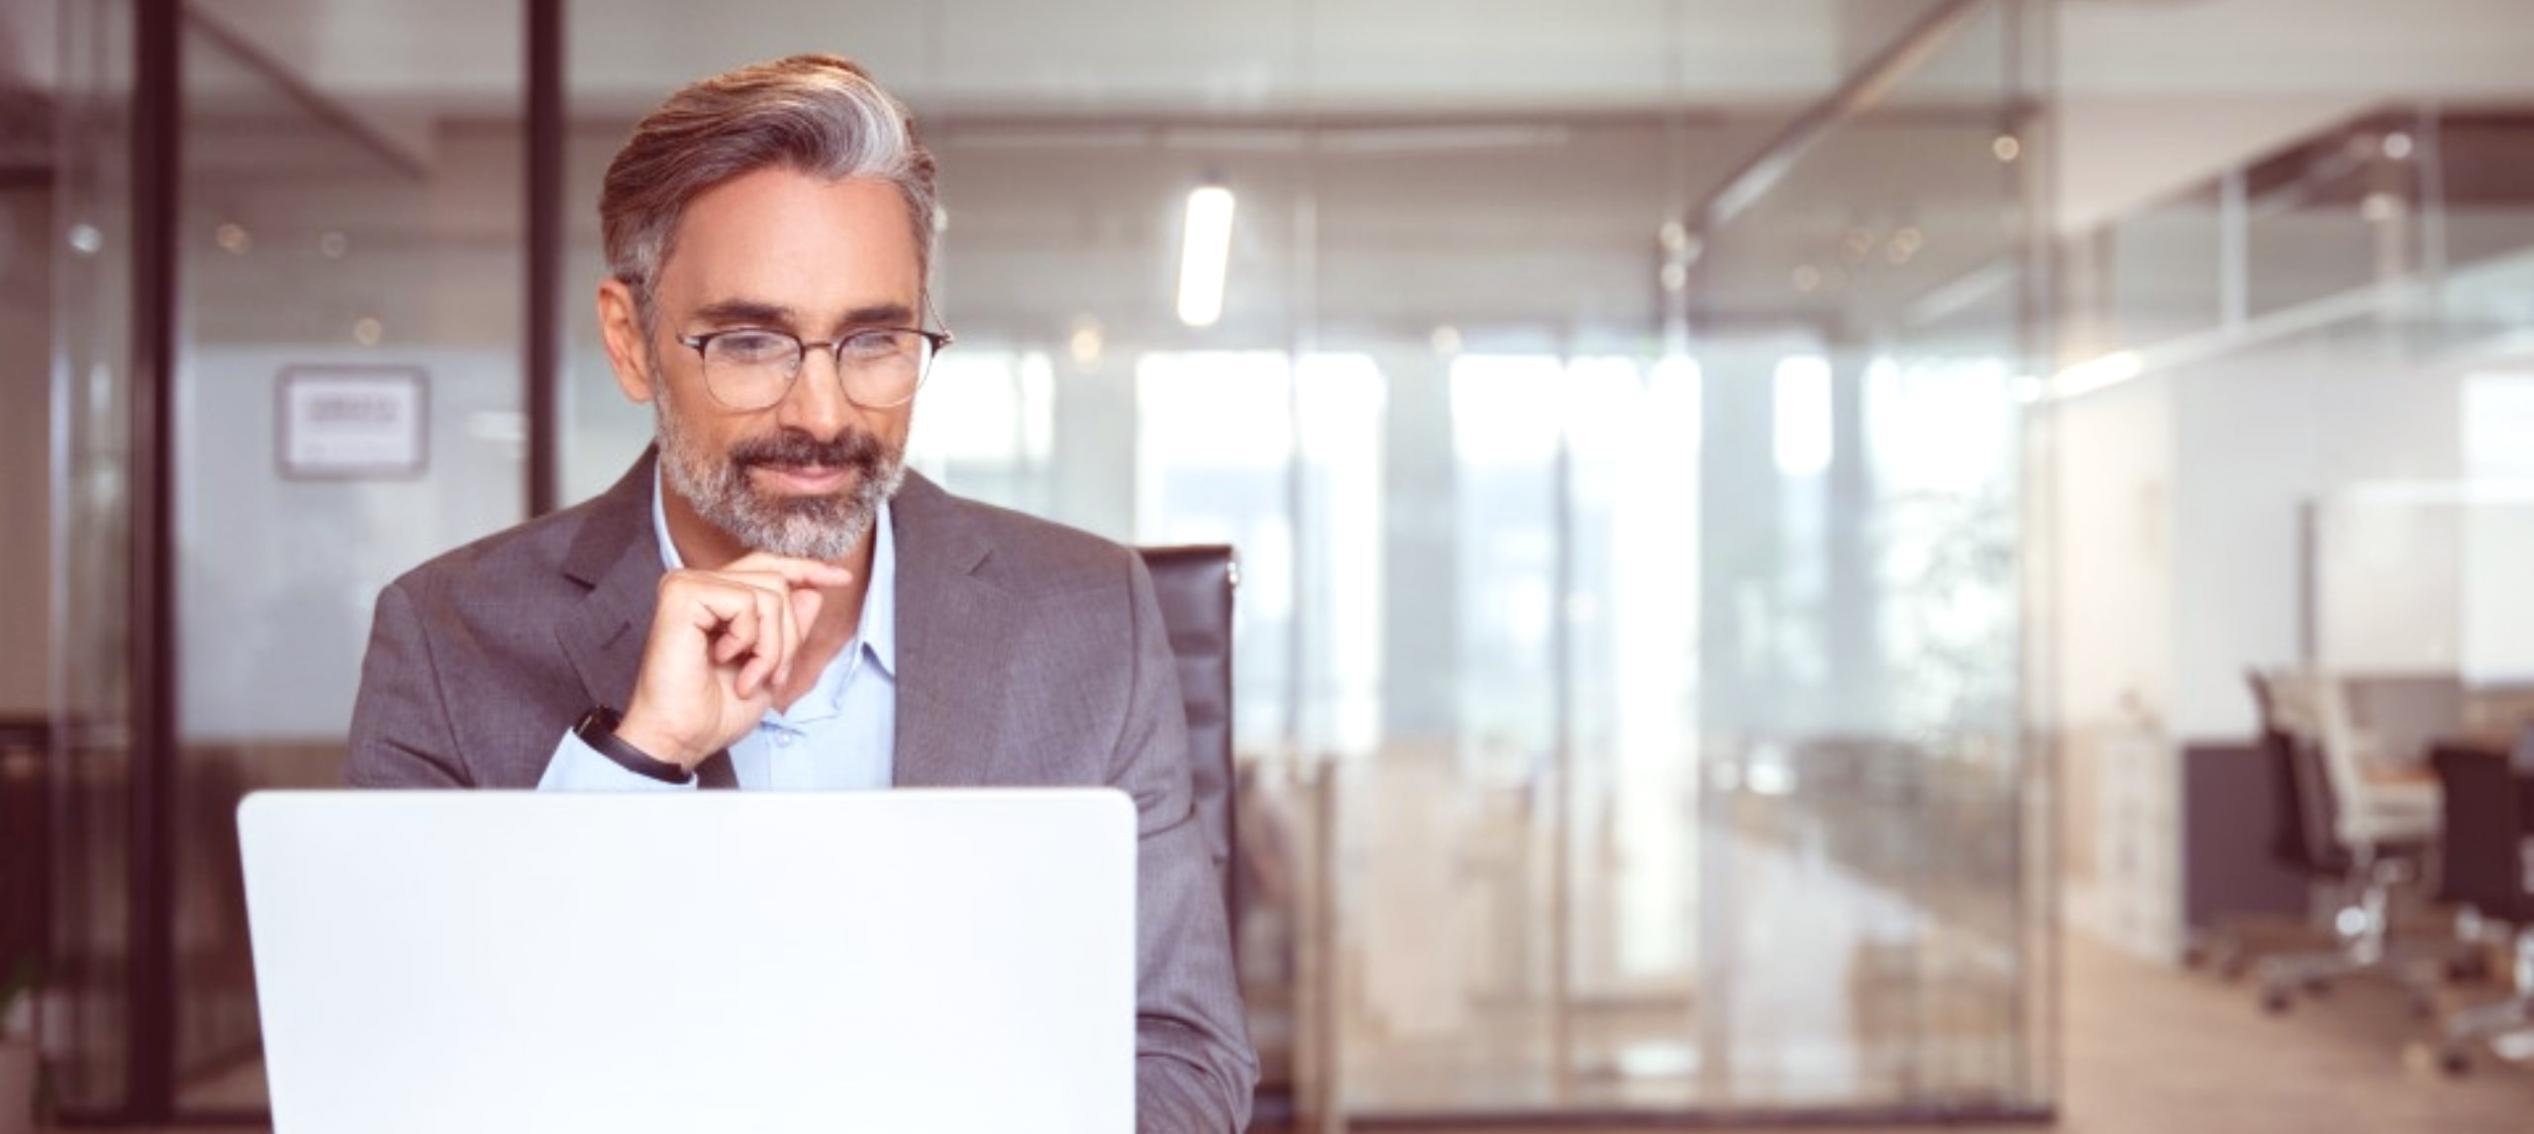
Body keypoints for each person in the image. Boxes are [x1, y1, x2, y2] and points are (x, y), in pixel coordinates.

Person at [344, 53, 1256, 1131]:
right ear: (631, 341)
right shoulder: (445, 641)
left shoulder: (1092, 617)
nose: (822, 414)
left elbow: (1181, 1059)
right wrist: (637, 760)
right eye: (750, 342)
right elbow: (396, 1087)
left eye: (875, 340)